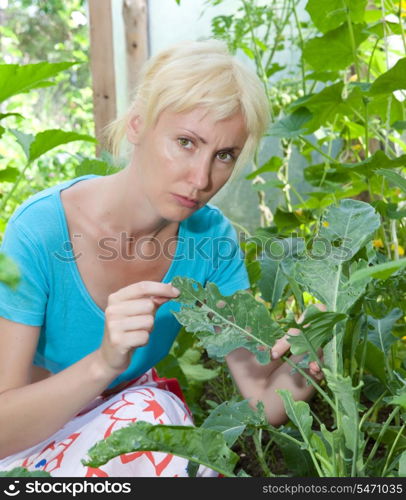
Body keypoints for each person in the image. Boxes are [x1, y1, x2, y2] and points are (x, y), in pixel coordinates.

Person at [0, 39, 321, 477]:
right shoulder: (40, 231)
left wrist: (312, 351)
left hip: (125, 419)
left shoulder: (211, 241)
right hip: (24, 445)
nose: (202, 178)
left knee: (155, 424)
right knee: (151, 419)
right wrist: (104, 362)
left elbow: (261, 399)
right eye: (186, 142)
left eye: (223, 155)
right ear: (136, 125)